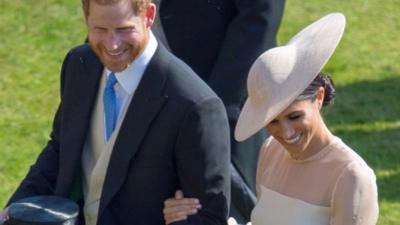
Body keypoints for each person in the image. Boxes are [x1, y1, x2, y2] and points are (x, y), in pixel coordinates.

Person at [1, 0, 231, 224]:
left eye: (124, 29)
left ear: (149, 16)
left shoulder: (195, 106)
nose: (112, 44)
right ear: (86, 18)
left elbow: (210, 217)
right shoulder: (79, 64)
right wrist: (16, 209)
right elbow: (60, 150)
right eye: (100, 29)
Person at [162, 13, 379, 225]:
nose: (286, 132)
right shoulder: (270, 151)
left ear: (319, 97)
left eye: (295, 116)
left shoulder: (352, 176)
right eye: (273, 121)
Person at [151, 0, 286, 222]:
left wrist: (217, 106)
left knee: (233, 205)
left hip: (224, 92)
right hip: (147, 79)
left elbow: (260, 15)